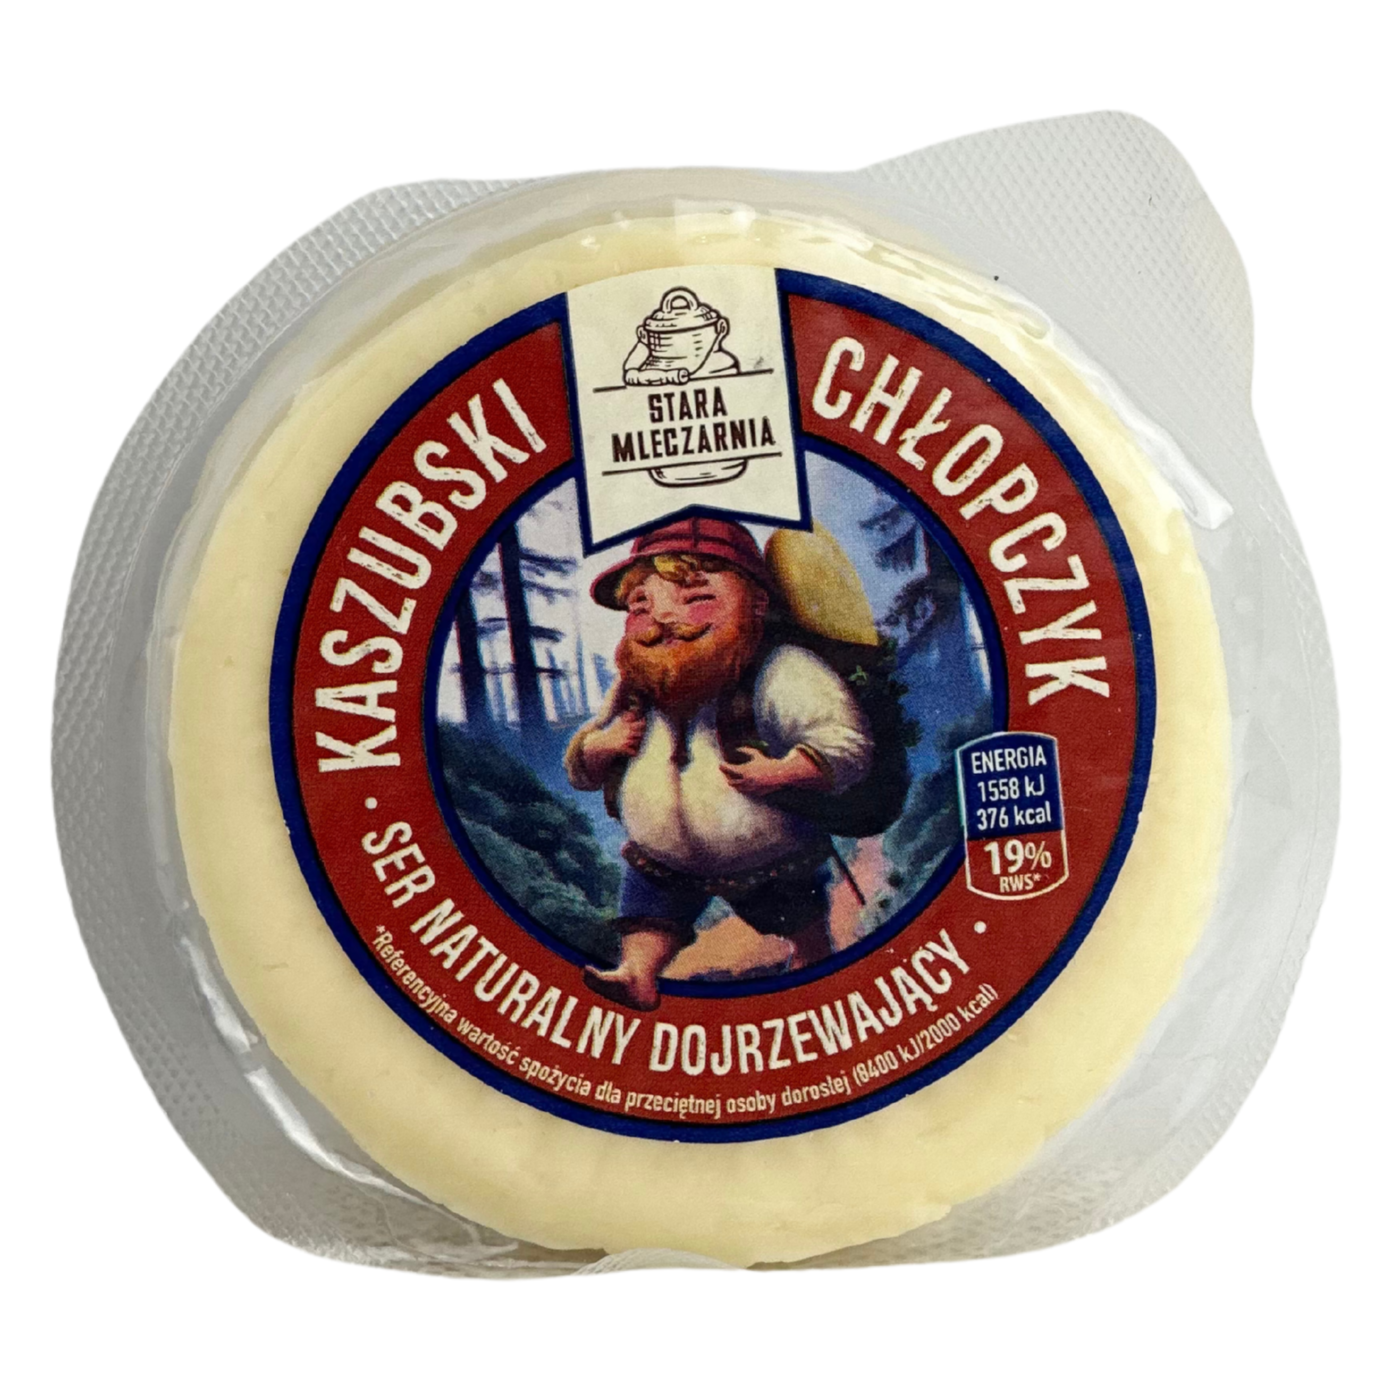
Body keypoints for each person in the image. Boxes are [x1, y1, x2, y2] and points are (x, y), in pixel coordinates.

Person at [564, 516, 873, 1011]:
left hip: (768, 857)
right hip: (661, 859)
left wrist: (785, 771)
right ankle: (637, 974)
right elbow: (581, 762)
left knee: (799, 918)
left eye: (696, 598)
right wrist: (601, 747)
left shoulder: (781, 669)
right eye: (642, 605)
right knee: (647, 916)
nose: (665, 618)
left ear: (756, 603)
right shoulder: (638, 680)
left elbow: (845, 741)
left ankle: (812, 965)